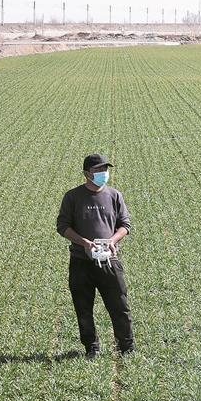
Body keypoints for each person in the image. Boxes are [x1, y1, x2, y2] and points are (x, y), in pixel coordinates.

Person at [57, 153, 135, 359]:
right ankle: (92, 347)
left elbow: (125, 225)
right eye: (98, 171)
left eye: (105, 170)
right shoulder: (72, 196)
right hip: (81, 262)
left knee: (120, 306)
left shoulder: (114, 195)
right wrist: (84, 243)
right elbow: (62, 226)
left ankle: (127, 347)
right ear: (86, 174)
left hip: (110, 261)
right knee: (83, 307)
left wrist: (112, 240)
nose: (103, 174)